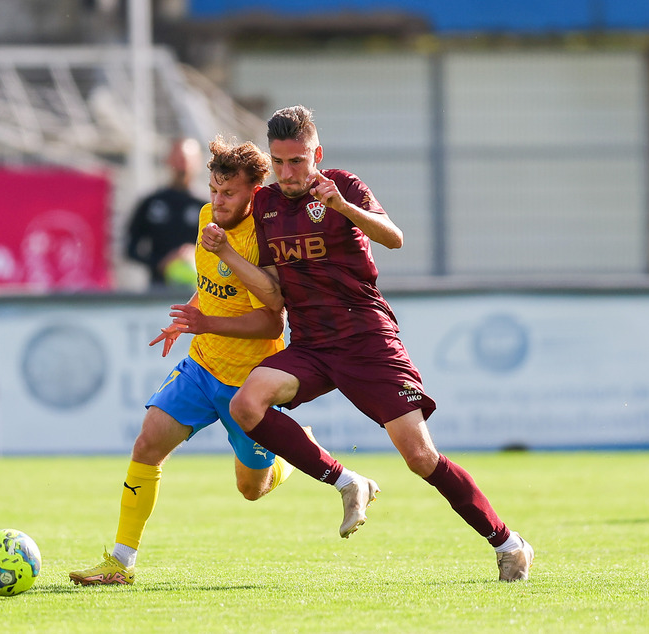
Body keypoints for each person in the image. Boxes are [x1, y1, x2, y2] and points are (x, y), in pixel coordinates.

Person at [201, 105, 535, 582]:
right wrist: (228, 254)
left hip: (366, 339)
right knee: (246, 404)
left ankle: (509, 543)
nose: (288, 172)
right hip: (312, 342)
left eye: (297, 160)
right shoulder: (267, 206)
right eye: (279, 161)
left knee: (420, 458)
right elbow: (273, 292)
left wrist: (342, 207)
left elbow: (394, 239)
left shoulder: (343, 187)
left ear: (317, 153)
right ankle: (346, 481)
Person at [70, 136, 306, 586]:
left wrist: (205, 321)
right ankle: (121, 562)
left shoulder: (264, 237)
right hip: (201, 367)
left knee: (251, 490)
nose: (217, 201)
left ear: (253, 192)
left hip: (248, 384)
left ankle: (283, 461)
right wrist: (190, 317)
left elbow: (273, 324)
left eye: (228, 193)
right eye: (214, 190)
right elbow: (212, 284)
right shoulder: (204, 218)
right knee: (148, 444)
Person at [125, 137, 208, 288]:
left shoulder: (207, 206)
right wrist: (160, 262)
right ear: (168, 160)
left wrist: (194, 255)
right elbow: (130, 249)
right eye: (178, 159)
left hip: (200, 290)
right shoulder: (151, 202)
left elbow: (225, 250)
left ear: (198, 162)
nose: (183, 165)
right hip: (158, 288)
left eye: (187, 159)